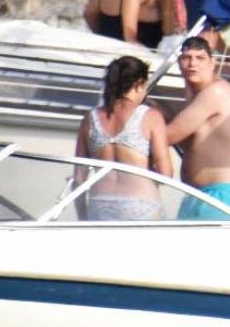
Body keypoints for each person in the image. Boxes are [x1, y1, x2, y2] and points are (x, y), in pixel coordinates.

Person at [165, 35, 230, 219]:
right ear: (179, 62)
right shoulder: (195, 95)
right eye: (186, 58)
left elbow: (169, 136)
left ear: (212, 62)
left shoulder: (215, 92)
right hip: (199, 196)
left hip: (223, 197)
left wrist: (144, 117)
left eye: (200, 58)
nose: (192, 64)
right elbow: (190, 143)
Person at [74, 56, 173, 221]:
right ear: (139, 83)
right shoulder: (149, 116)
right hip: (140, 202)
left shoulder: (90, 119)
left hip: (100, 204)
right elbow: (166, 173)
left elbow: (78, 177)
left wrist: (83, 218)